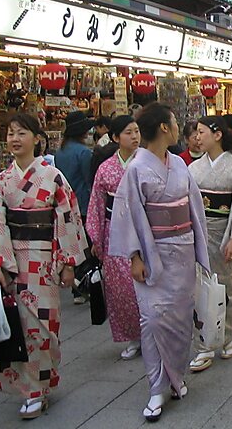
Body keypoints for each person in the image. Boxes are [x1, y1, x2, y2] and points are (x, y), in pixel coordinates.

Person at [108, 103, 210, 423]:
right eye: (175, 122)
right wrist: (134, 256)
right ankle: (155, 388)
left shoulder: (178, 163)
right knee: (151, 321)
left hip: (182, 252)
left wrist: (201, 251)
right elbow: (128, 216)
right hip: (153, 256)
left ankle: (176, 378)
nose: (180, 127)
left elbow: (194, 209)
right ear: (164, 128)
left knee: (180, 320)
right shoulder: (137, 168)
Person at [0, 114, 87, 419]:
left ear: (36, 138)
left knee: (44, 327)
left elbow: (68, 218)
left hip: (44, 260)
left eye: (21, 133)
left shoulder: (52, 176)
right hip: (15, 260)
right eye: (10, 133)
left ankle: (41, 384)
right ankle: (31, 389)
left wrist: (68, 263)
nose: (15, 139)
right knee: (17, 327)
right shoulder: (2, 181)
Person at [188, 116, 232, 373]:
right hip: (199, 233)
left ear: (217, 135)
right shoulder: (193, 168)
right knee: (199, 290)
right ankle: (204, 344)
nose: (197, 137)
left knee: (228, 287)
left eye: (202, 132)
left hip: (224, 232)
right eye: (196, 132)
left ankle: (229, 336)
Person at [86, 116, 142, 361]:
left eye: (137, 131)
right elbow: (97, 203)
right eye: (128, 132)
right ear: (116, 137)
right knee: (121, 287)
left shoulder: (146, 162)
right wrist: (96, 238)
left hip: (142, 228)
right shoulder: (106, 168)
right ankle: (132, 337)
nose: (135, 136)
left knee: (145, 284)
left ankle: (151, 334)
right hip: (114, 231)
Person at [55, 111, 95, 305]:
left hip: (63, 204)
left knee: (70, 242)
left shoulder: (60, 151)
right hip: (83, 203)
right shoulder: (84, 152)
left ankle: (76, 288)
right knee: (84, 246)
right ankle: (83, 283)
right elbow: (89, 180)